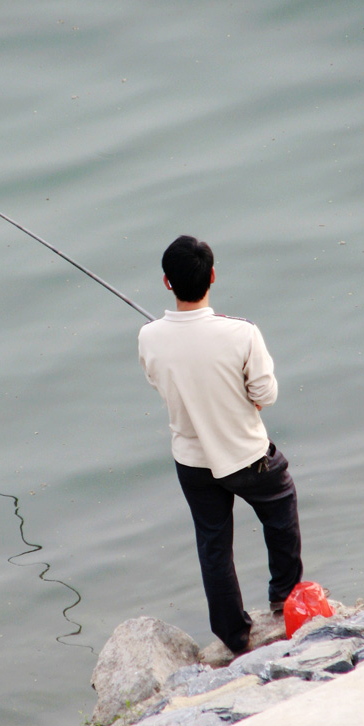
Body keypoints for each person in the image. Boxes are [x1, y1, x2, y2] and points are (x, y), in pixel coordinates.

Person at [138, 235, 303, 654]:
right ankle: (285, 598)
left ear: (166, 282)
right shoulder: (242, 334)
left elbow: (159, 381)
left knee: (213, 544)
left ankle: (234, 636)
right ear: (212, 276)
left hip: (192, 461)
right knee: (280, 508)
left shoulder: (148, 337)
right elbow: (264, 394)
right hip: (246, 456)